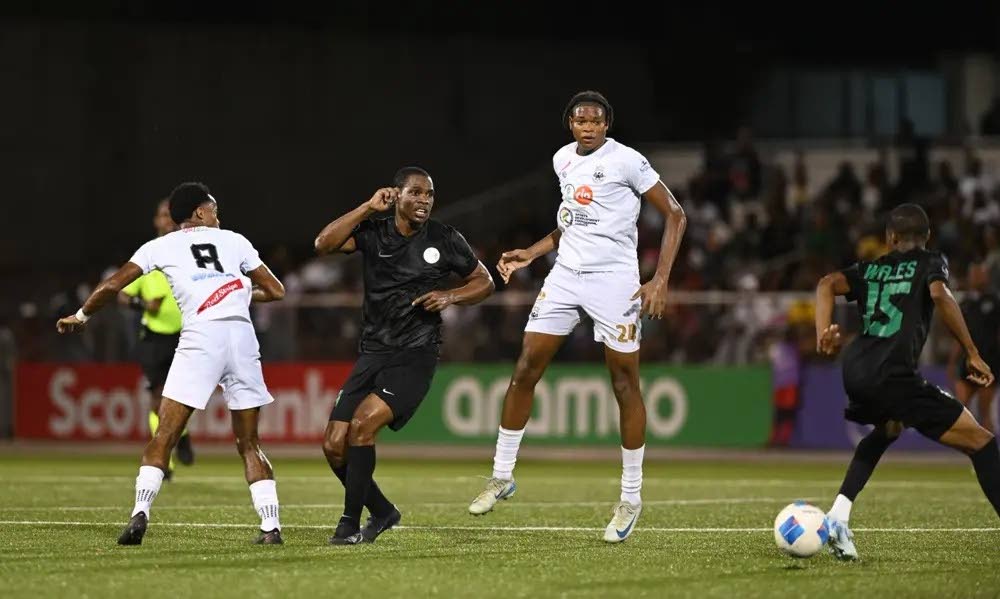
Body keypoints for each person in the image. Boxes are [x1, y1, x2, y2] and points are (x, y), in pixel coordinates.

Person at [466, 90, 687, 543]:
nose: (588, 126)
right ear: (569, 123)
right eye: (581, 120)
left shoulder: (628, 161)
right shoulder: (562, 159)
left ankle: (630, 496)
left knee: (624, 383)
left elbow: (676, 215)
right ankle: (502, 474)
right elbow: (570, 220)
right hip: (566, 275)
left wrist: (660, 279)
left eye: (597, 120)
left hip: (615, 283)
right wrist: (532, 251)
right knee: (526, 367)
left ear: (607, 124)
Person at [56, 182, 287, 546]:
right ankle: (271, 527)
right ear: (199, 213)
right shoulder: (235, 240)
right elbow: (276, 291)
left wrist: (82, 316)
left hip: (201, 340)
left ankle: (139, 514)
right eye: (213, 209)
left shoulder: (159, 247)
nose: (218, 215)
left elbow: (113, 285)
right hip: (242, 340)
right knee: (249, 442)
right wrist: (237, 293)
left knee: (164, 435)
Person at [314, 166, 494, 545]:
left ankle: (349, 524)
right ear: (396, 195)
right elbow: (324, 244)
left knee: (363, 427)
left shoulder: (445, 238)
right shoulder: (375, 232)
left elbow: (484, 281)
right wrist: (366, 207)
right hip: (372, 352)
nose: (424, 200)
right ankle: (382, 511)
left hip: (415, 353)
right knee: (333, 445)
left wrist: (450, 296)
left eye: (429, 194)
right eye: (416, 192)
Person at [815, 203, 1000, 561]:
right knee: (982, 442)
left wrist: (824, 331)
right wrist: (971, 351)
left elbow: (826, 284)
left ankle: (838, 516)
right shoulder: (931, 261)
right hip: (894, 375)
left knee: (888, 429)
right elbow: (939, 295)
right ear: (927, 238)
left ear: (890, 238)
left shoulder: (870, 268)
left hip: (856, 369)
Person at [118, 198, 194, 478]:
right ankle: (166, 460)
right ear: (156, 221)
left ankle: (182, 436)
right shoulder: (148, 254)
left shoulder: (189, 252)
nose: (167, 220)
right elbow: (123, 294)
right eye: (163, 215)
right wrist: (143, 305)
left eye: (171, 215)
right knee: (156, 399)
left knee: (180, 396)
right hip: (153, 337)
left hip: (186, 334)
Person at [949, 262, 1000, 434]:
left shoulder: (995, 301)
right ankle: (967, 448)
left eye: (980, 273)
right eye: (975, 274)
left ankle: (990, 453)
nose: (978, 277)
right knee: (961, 408)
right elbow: (958, 335)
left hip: (989, 362)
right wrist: (952, 361)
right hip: (967, 363)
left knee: (985, 412)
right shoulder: (965, 304)